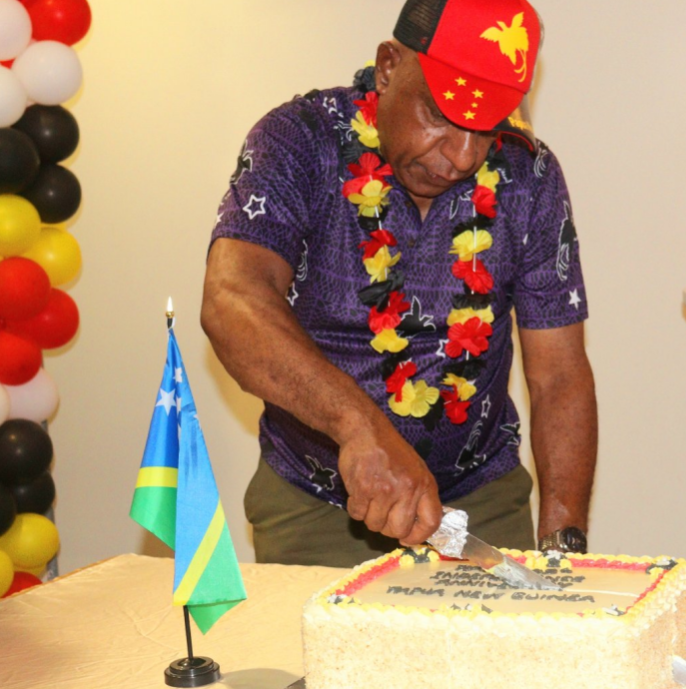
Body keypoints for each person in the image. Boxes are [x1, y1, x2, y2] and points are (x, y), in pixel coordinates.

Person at [202, 0, 596, 567]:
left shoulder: (527, 174)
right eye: (442, 114)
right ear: (388, 67)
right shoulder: (299, 140)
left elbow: (559, 374)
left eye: (485, 129)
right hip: (318, 505)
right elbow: (232, 299)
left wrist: (563, 552)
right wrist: (358, 427)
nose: (462, 156)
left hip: (479, 501)